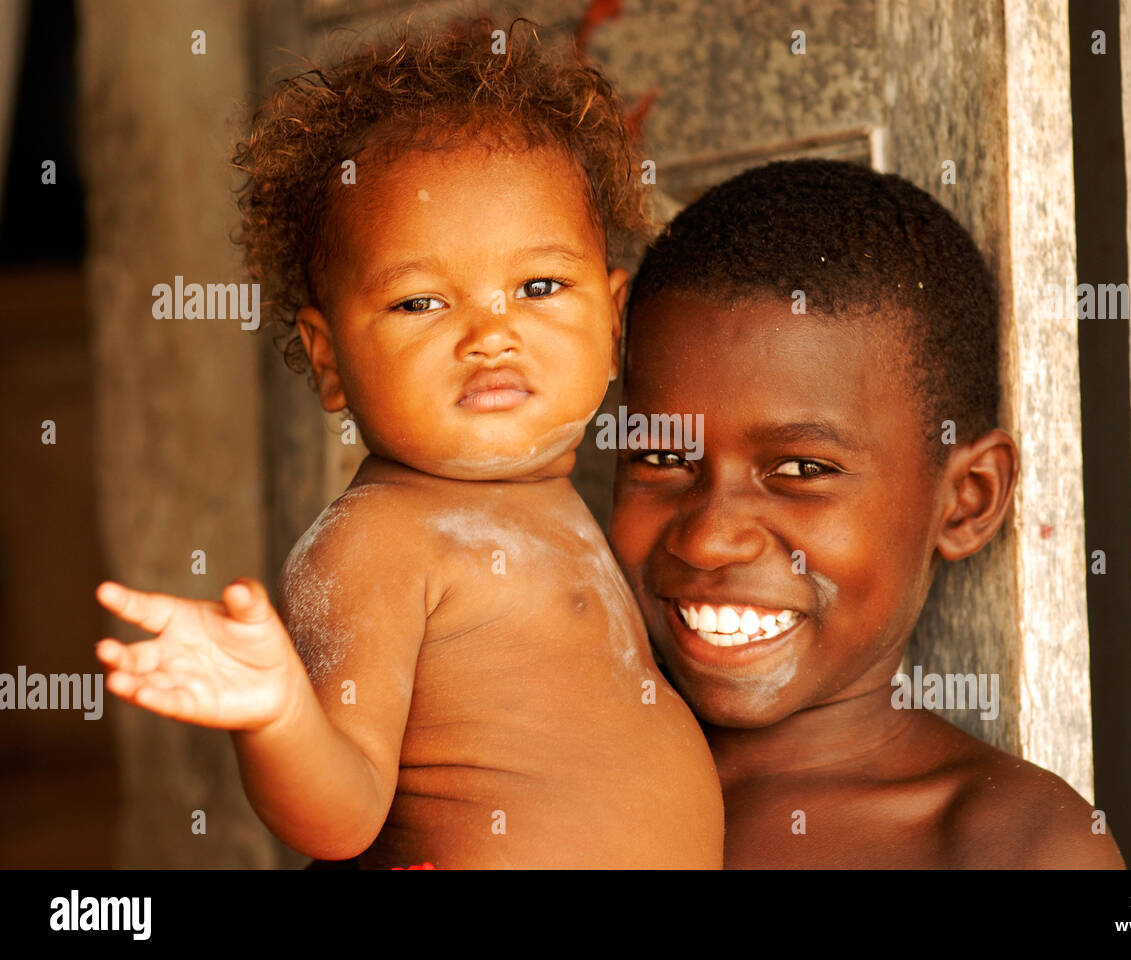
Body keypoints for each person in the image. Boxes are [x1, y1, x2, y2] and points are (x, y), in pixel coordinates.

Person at [93, 19, 723, 869]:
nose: (490, 335)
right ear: (330, 364)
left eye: (538, 286)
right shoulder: (375, 541)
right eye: (420, 303)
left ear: (613, 322)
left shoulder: (557, 502)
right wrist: (279, 717)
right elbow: (342, 817)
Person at [609, 159, 1125, 868]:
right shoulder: (525, 765)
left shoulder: (1009, 846)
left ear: (966, 499)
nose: (707, 538)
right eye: (664, 459)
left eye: (802, 471)